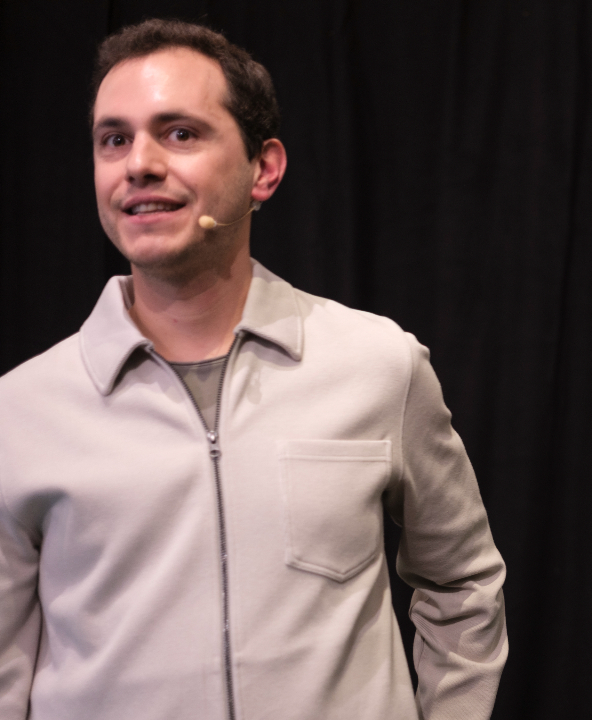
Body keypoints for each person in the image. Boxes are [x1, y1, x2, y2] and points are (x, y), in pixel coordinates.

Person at [0, 19, 506, 720]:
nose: (139, 163)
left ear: (263, 170)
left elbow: (463, 585)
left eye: (179, 133)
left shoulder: (377, 365)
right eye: (114, 139)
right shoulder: (21, 411)